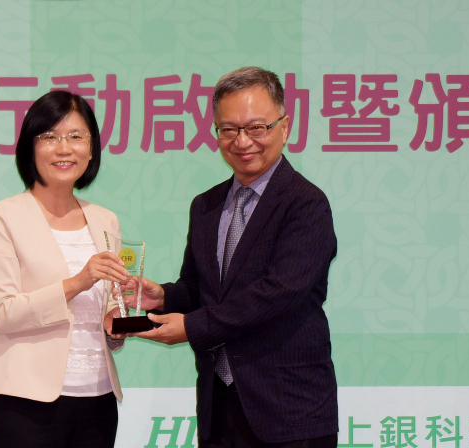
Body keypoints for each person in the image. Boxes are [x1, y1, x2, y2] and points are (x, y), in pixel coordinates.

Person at [125, 67, 339, 447]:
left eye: (256, 127)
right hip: (220, 409)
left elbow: (278, 293)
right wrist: (162, 296)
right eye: (228, 129)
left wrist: (192, 327)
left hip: (290, 412)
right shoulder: (205, 206)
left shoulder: (306, 204)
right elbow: (199, 288)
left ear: (285, 127)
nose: (242, 141)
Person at [0, 90, 129, 448]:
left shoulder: (105, 220)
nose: (64, 149)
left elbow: (106, 310)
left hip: (98, 401)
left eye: (76, 137)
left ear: (91, 149)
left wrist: (118, 322)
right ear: (30, 148)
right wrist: (78, 281)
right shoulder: (2, 217)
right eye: (49, 137)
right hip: (27, 403)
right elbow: (3, 313)